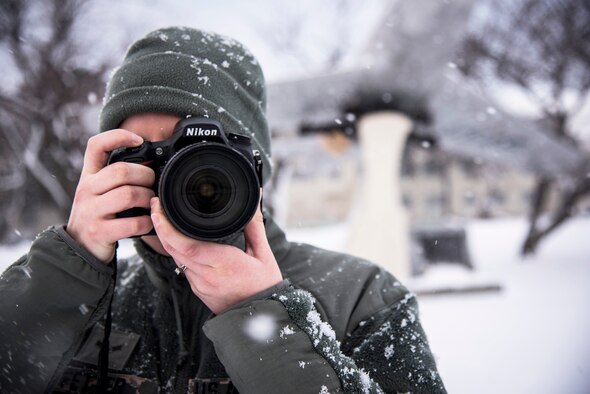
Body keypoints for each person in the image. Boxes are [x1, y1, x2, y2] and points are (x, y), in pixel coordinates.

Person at [0, 27, 447, 394]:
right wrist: (67, 267)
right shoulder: (77, 298)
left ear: (253, 169)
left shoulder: (361, 297)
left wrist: (263, 318)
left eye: (196, 157)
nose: (173, 181)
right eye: (147, 158)